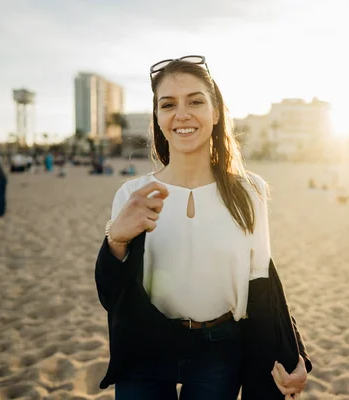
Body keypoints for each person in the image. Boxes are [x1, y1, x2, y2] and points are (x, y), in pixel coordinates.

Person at [95, 56, 310, 399]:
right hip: (145, 348)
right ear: (158, 118)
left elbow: (264, 283)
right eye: (168, 105)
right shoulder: (131, 194)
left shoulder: (249, 191)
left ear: (216, 111)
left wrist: (291, 350)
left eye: (195, 101)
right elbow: (112, 297)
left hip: (219, 351)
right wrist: (116, 239)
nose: (182, 114)